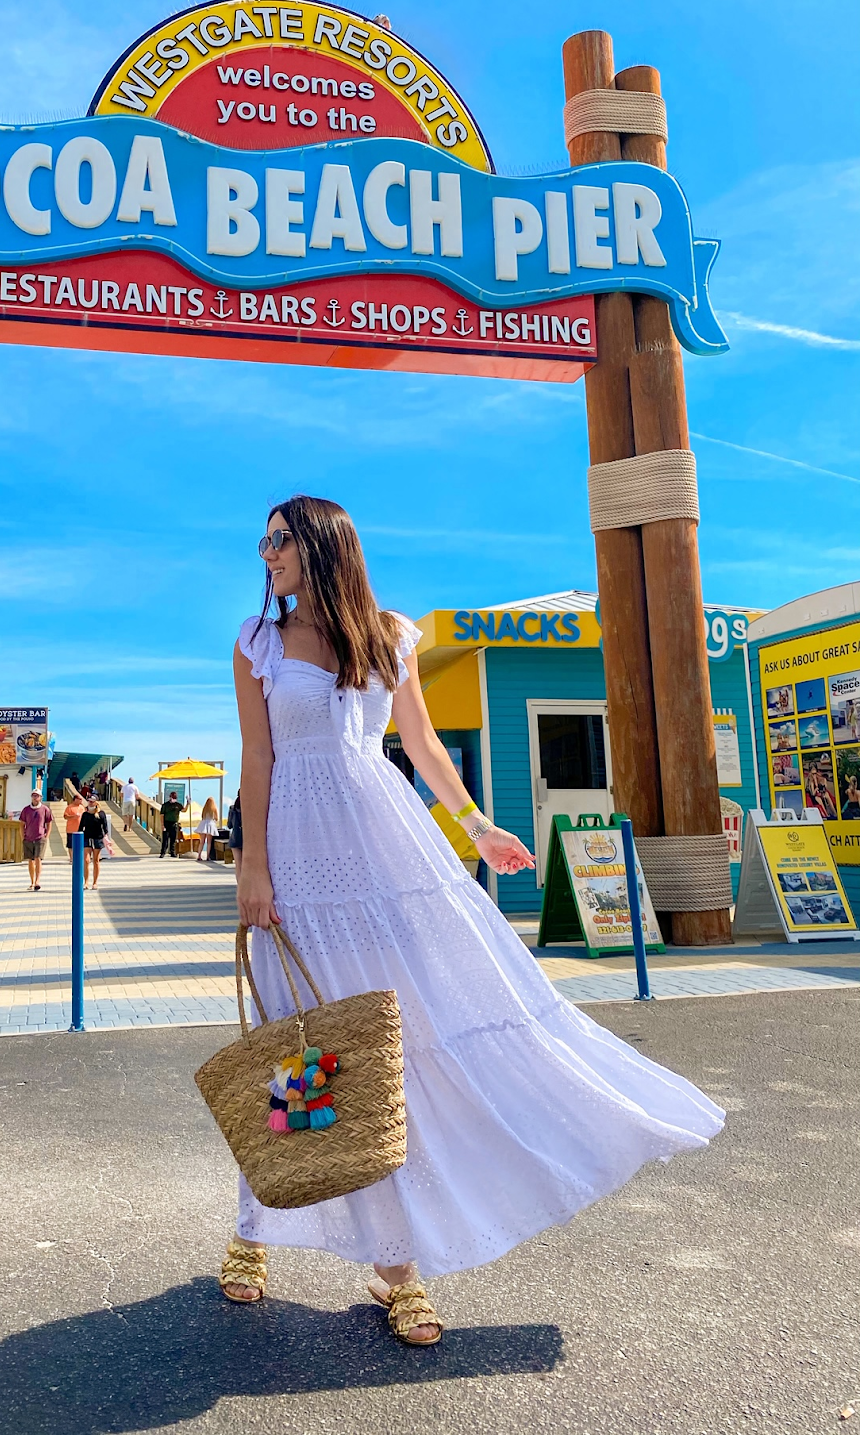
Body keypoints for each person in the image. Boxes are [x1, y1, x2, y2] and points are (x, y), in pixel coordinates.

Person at [220, 495, 724, 1345]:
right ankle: (253, 1227)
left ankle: (397, 1267)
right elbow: (260, 758)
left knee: (400, 1047)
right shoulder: (259, 642)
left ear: (320, 545)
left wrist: (478, 828)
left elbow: (418, 747)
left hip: (387, 852)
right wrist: (252, 869)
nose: (263, 550)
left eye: (278, 538)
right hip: (300, 864)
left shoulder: (389, 636)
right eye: (263, 538)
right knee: (299, 1054)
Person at [19, 788, 53, 892]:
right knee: (30, 860)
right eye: (33, 795)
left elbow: (49, 823)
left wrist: (47, 835)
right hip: (28, 837)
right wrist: (22, 836)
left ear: (40, 797)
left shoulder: (45, 809)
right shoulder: (26, 810)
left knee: (38, 858)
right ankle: (32, 881)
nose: (35, 797)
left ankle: (37, 881)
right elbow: (21, 824)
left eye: (37, 796)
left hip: (40, 837)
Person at [78, 797, 109, 890]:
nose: (90, 803)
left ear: (96, 802)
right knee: (86, 860)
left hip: (97, 838)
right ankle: (86, 882)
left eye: (92, 801)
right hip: (87, 838)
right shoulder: (85, 814)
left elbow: (105, 828)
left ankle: (95, 882)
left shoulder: (101, 814)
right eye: (89, 801)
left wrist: (106, 839)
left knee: (96, 860)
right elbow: (80, 827)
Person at [159, 790, 185, 858]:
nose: (173, 799)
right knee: (165, 839)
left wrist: (188, 803)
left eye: (174, 798)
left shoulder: (178, 805)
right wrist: (162, 825)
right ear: (170, 797)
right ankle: (163, 852)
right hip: (166, 823)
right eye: (172, 797)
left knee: (173, 839)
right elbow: (162, 815)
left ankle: (172, 852)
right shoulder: (165, 805)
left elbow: (184, 810)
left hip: (174, 823)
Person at [64, 790, 87, 863]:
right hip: (71, 829)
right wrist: (73, 817)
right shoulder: (70, 807)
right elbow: (65, 816)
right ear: (75, 799)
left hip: (81, 829)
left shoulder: (82, 807)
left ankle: (80, 857)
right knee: (70, 845)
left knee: (81, 844)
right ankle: (72, 858)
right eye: (80, 799)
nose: (81, 801)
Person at [195, 797, 219, 862]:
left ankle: (199, 855)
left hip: (203, 824)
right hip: (210, 824)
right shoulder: (214, 809)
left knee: (201, 842)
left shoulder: (205, 809)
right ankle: (208, 856)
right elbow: (216, 818)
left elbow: (202, 816)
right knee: (209, 842)